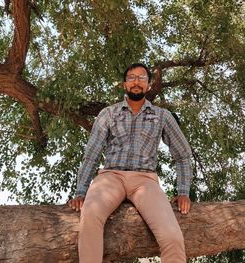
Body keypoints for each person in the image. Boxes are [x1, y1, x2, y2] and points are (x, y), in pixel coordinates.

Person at [68, 63, 192, 263]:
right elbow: (92, 154)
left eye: (142, 78)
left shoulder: (162, 116)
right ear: (124, 84)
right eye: (132, 77)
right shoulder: (108, 114)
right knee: (90, 216)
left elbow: (183, 154)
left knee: (172, 236)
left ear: (148, 85)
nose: (136, 82)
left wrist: (184, 191)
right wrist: (80, 193)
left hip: (145, 181)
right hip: (111, 177)